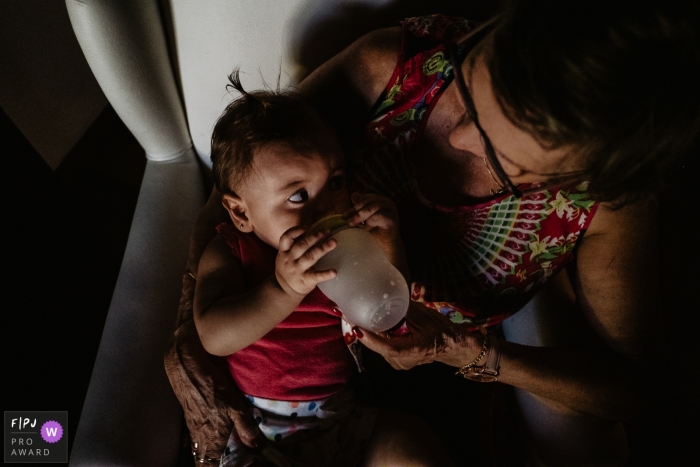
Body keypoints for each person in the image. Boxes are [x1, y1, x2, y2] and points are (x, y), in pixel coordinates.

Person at [165, 1, 700, 465]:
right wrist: (189, 339)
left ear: (572, 181)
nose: (459, 134)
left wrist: (478, 357)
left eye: (502, 156)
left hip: (396, 391)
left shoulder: (607, 204)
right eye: (471, 86)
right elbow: (238, 185)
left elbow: (631, 387)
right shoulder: (394, 67)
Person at [181, 71, 453, 467]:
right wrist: (281, 288)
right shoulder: (230, 250)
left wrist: (390, 243)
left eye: (336, 181)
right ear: (241, 212)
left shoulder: (353, 241)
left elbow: (390, 313)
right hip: (259, 431)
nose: (327, 208)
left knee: (412, 445)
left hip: (341, 416)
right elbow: (214, 336)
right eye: (297, 195)